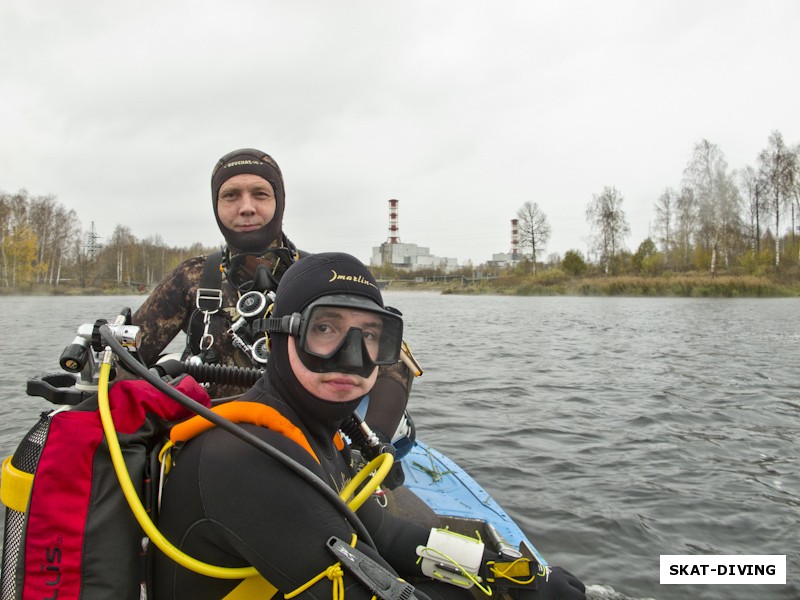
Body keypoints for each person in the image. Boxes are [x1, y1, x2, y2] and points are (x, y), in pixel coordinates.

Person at [153, 252, 585, 600]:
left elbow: (387, 534)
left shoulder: (318, 435)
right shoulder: (248, 459)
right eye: (325, 328)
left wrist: (511, 575)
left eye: (372, 334)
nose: (353, 356)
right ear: (278, 337)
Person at [131, 148, 412, 437]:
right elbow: (127, 356)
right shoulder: (192, 278)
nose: (247, 207)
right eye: (231, 195)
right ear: (215, 205)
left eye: (260, 194)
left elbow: (393, 358)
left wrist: (372, 442)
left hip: (307, 445)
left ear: (279, 202)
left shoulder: (321, 275)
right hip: (207, 440)